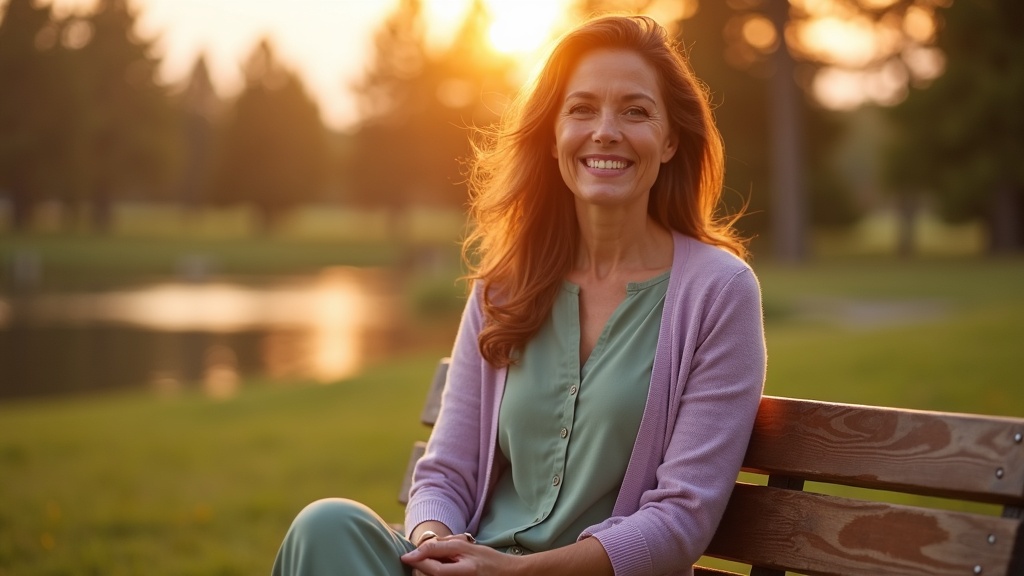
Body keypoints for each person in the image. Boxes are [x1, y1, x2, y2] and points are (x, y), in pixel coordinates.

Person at [272, 13, 766, 576]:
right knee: (326, 526)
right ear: (554, 138)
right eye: (581, 109)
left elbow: (681, 520)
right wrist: (437, 545)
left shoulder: (718, 293)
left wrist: (512, 572)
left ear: (670, 139)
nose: (605, 130)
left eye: (635, 110)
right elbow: (446, 472)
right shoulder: (506, 282)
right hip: (472, 564)